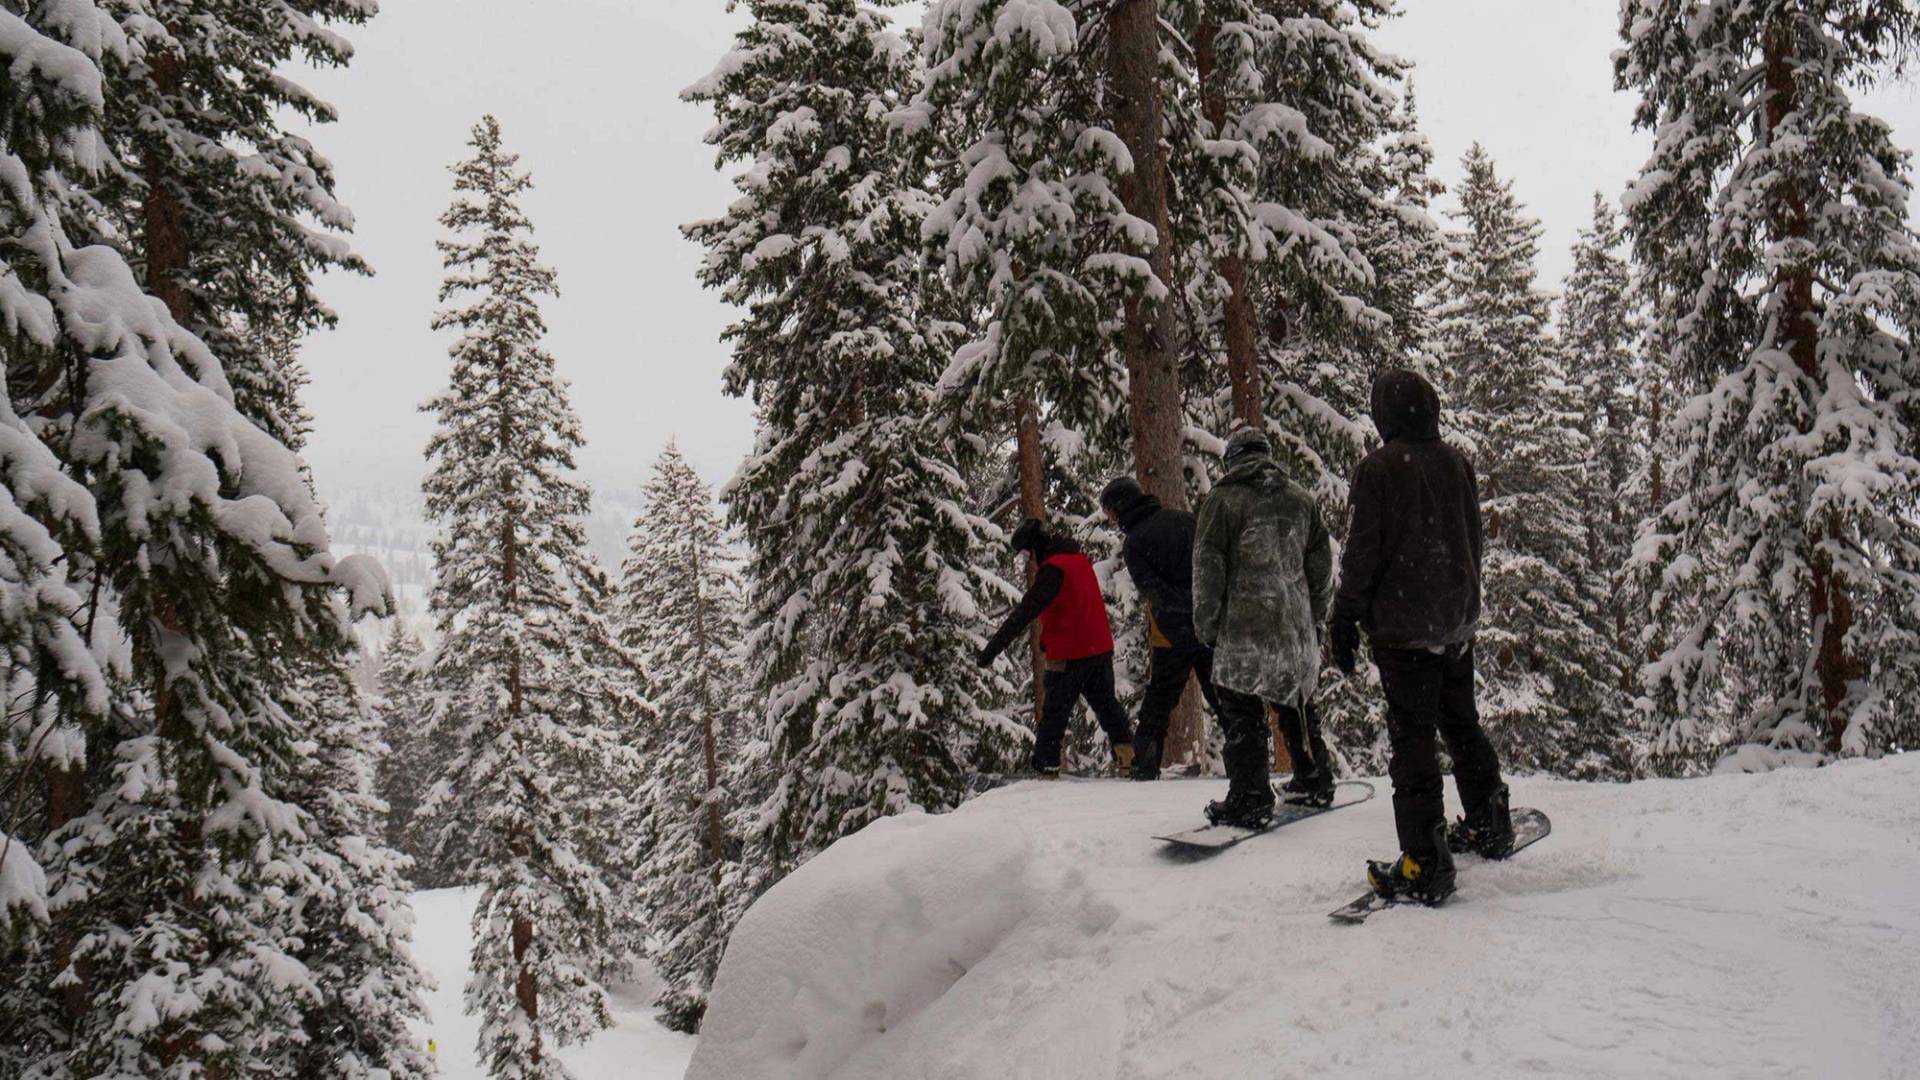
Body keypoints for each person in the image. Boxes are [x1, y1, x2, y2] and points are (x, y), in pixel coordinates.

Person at [1329, 368, 1513, 908]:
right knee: (1460, 722)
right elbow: (1471, 538)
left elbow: (1361, 551)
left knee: (1413, 740)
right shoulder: (1456, 462)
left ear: (1383, 413)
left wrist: (1345, 618)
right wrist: (1463, 600)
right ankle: (1490, 819)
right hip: (1454, 620)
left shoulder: (1379, 468)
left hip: (1405, 628)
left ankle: (1425, 862)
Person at [1191, 428, 1336, 828]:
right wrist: (1316, 619)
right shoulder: (1301, 499)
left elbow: (1208, 567)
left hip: (1244, 626)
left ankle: (1251, 798)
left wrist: (1206, 625)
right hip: (1294, 625)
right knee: (1297, 702)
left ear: (1233, 459)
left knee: (1243, 713)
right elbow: (1321, 569)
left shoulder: (1222, 501)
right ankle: (1314, 778)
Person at [977, 517, 1134, 776]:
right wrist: (1047, 637)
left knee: (1054, 714)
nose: (1028, 560)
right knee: (1108, 708)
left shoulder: (1052, 569)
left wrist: (990, 651)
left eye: (1026, 553)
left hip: (1069, 655)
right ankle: (1129, 758)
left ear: (1034, 546)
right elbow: (1073, 605)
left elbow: (1025, 612)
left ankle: (1047, 766)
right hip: (1099, 649)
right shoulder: (1078, 560)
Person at [1097, 476, 1222, 781]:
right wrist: (1206, 605)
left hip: (1173, 632)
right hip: (1210, 624)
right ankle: (1251, 765)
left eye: (1111, 512)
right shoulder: (1185, 520)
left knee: (1158, 704)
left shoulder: (1135, 542)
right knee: (1224, 697)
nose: (1112, 520)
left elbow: (1153, 590)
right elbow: (1214, 564)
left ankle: (1144, 767)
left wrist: (1184, 607)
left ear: (1121, 506)